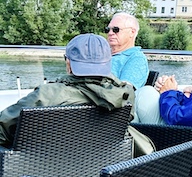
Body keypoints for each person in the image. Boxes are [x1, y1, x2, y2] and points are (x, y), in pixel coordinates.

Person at [0, 33, 135, 147]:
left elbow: (3, 129)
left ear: (69, 63)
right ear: (107, 63)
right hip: (102, 170)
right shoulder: (125, 95)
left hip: (39, 170)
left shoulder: (46, 95)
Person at [106, 12, 149, 89]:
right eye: (108, 29)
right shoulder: (101, 54)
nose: (110, 33)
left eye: (116, 30)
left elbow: (124, 92)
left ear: (132, 32)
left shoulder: (136, 58)